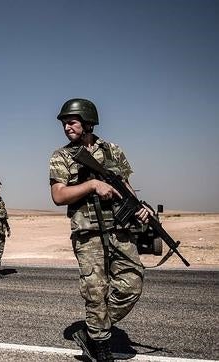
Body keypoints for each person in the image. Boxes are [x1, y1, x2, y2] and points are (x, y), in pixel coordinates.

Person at [49, 99, 151, 362]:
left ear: (87, 122)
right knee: (95, 290)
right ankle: (100, 345)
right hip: (88, 234)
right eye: (64, 123)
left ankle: (92, 330)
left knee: (132, 284)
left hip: (119, 227)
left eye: (71, 122)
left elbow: (126, 186)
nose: (66, 127)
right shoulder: (62, 156)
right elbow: (59, 196)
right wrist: (92, 184)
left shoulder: (113, 151)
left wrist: (140, 208)